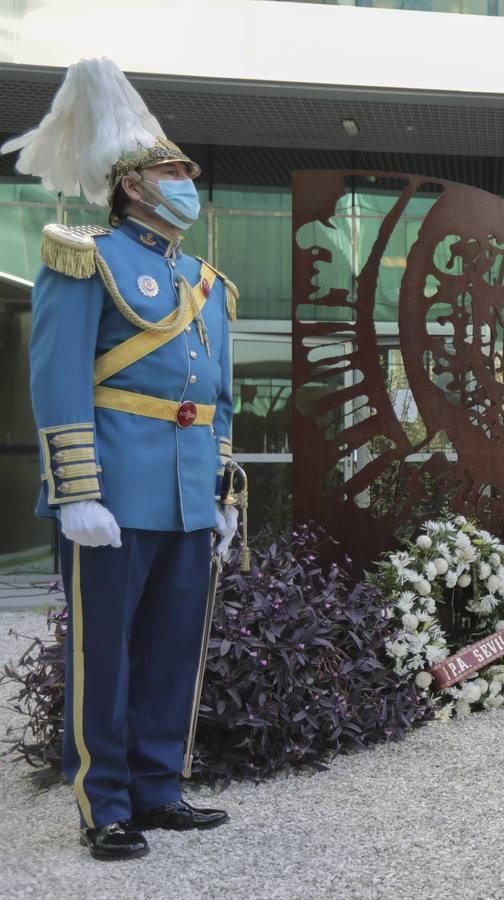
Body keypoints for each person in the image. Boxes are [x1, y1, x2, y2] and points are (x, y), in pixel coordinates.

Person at [5, 58, 238, 860]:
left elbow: (218, 399)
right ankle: (103, 803)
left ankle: (158, 788)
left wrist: (220, 492)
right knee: (102, 653)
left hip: (182, 496)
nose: (187, 183)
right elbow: (58, 376)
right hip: (111, 492)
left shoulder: (207, 284)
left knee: (175, 647)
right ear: (136, 185)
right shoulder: (85, 256)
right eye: (176, 172)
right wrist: (77, 491)